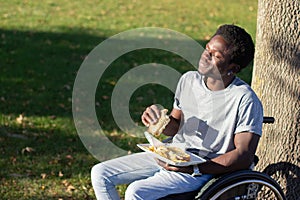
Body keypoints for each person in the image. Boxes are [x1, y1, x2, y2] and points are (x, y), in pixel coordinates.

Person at [91, 24, 263, 200]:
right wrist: (159, 121)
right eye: (207, 49)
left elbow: (243, 155)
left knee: (136, 192)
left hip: (204, 168)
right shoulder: (189, 80)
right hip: (172, 154)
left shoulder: (244, 98)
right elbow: (176, 127)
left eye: (215, 56)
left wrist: (194, 168)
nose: (205, 57)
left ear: (232, 68)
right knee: (100, 174)